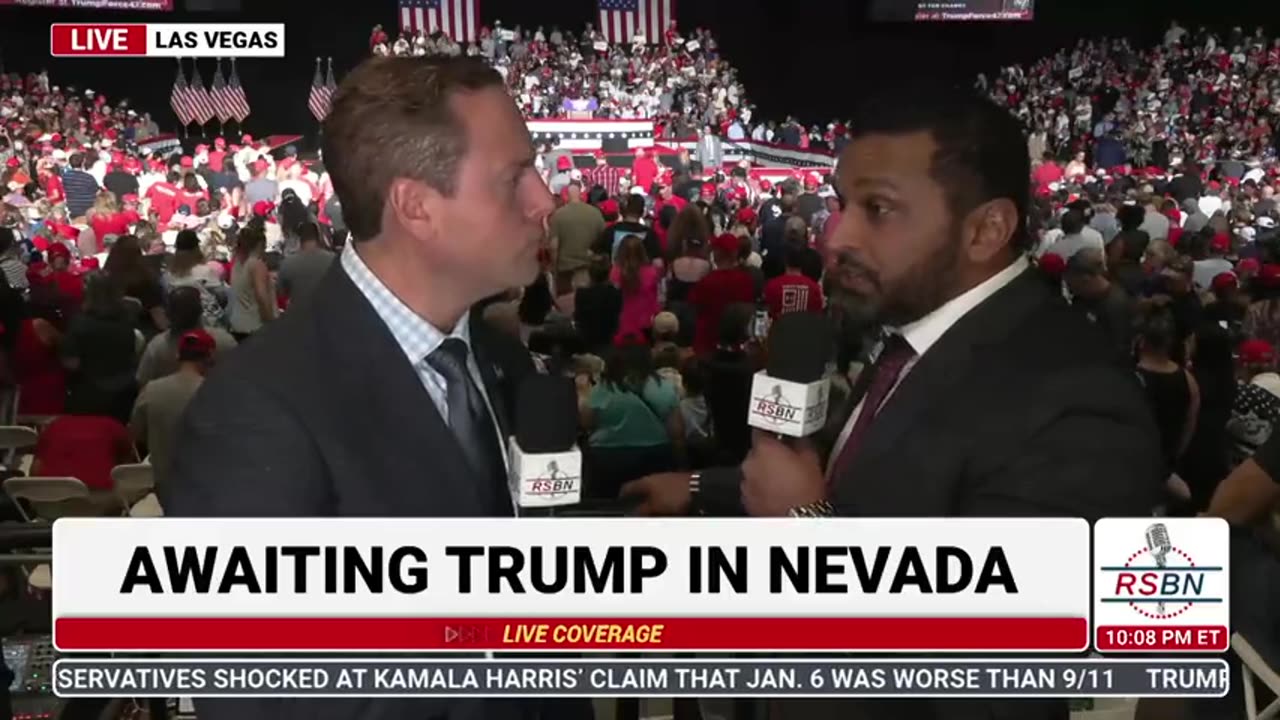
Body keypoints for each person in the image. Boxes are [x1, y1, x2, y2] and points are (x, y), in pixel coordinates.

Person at [623, 88, 1162, 720]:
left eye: (878, 209)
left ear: (986, 229)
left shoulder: (1078, 403)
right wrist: (698, 485)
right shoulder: (920, 332)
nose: (836, 237)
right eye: (842, 205)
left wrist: (806, 529)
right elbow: (868, 481)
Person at [163, 56, 590, 720]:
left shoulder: (504, 361)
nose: (544, 201)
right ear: (416, 205)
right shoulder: (256, 415)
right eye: (514, 179)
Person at [130, 329, 216, 495]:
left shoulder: (151, 390)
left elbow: (135, 432)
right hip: (205, 485)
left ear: (178, 355)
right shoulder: (216, 392)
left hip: (162, 484)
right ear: (209, 357)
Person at [277, 221, 335, 308]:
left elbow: (281, 293)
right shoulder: (333, 260)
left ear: (299, 239)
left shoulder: (288, 263)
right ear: (319, 236)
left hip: (299, 315)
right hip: (327, 313)